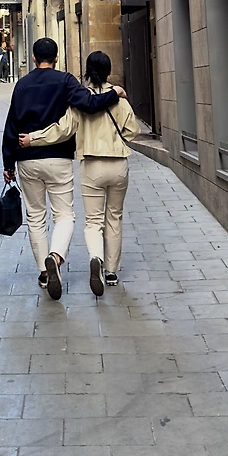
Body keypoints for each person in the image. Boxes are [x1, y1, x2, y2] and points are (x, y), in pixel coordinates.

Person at [2, 37, 124, 299]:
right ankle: (56, 256)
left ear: (33, 58)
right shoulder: (65, 81)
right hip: (58, 158)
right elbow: (90, 104)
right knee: (65, 215)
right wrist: (115, 93)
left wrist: (8, 163)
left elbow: (11, 124)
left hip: (26, 158)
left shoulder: (22, 85)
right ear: (56, 58)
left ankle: (44, 273)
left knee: (36, 216)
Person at [49, 51, 138, 293]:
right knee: (114, 217)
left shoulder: (80, 100)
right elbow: (132, 131)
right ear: (109, 71)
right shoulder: (119, 99)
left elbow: (63, 130)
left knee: (93, 221)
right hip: (118, 164)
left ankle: (96, 258)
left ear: (88, 70)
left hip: (91, 165)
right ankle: (111, 272)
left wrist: (33, 139)